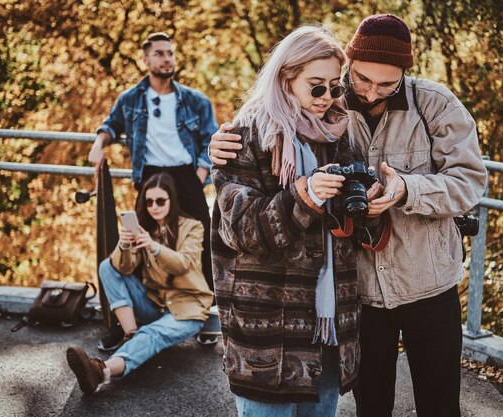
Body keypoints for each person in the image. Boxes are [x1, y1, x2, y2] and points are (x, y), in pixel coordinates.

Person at [209, 14, 487, 417]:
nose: (370, 93)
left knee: (439, 403)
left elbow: (470, 182)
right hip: (359, 293)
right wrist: (217, 146)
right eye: (359, 79)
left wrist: (404, 190)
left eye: (386, 84)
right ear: (349, 65)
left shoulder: (434, 105)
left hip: (426, 281)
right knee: (371, 406)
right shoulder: (329, 108)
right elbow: (266, 126)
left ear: (405, 73)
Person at [211, 25, 381, 417]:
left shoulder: (340, 136)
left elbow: (349, 234)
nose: (327, 99)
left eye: (335, 87)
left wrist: (370, 208)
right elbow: (240, 229)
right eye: (316, 87)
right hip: (267, 332)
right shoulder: (246, 135)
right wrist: (305, 196)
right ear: (286, 79)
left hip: (329, 327)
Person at [88, 31, 217, 296]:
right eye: (159, 54)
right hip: (150, 176)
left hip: (186, 176)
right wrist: (97, 145)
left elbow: (212, 140)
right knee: (142, 236)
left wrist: (201, 172)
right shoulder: (131, 99)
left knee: (203, 238)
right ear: (146, 59)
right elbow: (111, 126)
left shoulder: (196, 101)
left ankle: (207, 305)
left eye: (170, 53)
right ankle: (146, 299)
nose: (167, 59)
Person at [66, 172, 213, 394]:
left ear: (171, 200)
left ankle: (101, 371)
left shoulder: (192, 226)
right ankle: (131, 335)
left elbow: (184, 264)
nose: (154, 207)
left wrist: (153, 247)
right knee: (107, 266)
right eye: (149, 202)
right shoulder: (146, 229)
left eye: (160, 201)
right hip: (154, 304)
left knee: (151, 334)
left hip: (188, 308)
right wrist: (124, 246)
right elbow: (122, 268)